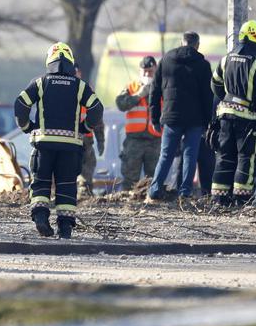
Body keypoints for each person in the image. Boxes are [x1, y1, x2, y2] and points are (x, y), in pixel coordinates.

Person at [14, 42, 103, 239]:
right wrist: (85, 128)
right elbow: (97, 109)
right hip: (70, 147)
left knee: (41, 183)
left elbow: (20, 104)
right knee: (66, 185)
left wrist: (27, 127)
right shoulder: (79, 86)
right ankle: (65, 229)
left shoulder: (40, 82)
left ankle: (40, 218)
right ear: (70, 62)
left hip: (43, 145)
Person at [210, 20, 256, 206]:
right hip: (247, 118)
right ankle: (241, 198)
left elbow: (214, 84)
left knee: (224, 156)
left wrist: (226, 98)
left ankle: (219, 198)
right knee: (246, 157)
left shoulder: (225, 59)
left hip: (224, 115)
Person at [147, 31, 213, 201]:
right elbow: (208, 96)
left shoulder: (166, 60)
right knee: (190, 155)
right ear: (197, 45)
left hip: (171, 116)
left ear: (182, 42)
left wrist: (154, 118)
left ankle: (154, 190)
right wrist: (207, 121)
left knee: (166, 154)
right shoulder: (202, 64)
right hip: (195, 119)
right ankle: (185, 192)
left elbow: (154, 91)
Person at [115, 56, 162, 191]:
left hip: (155, 140)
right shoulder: (131, 87)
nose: (147, 74)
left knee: (153, 179)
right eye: (144, 72)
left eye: (150, 71)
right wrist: (139, 95)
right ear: (139, 71)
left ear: (156, 70)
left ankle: (152, 205)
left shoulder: (162, 87)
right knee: (129, 179)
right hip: (134, 141)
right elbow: (120, 103)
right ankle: (128, 207)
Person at [76, 66, 105, 194]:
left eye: (75, 73)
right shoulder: (63, 89)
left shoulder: (87, 91)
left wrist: (101, 140)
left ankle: (84, 195)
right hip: (68, 138)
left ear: (80, 73)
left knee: (86, 174)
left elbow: (97, 116)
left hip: (85, 139)